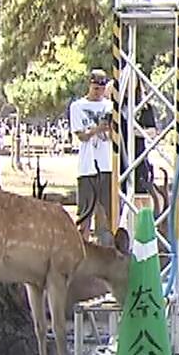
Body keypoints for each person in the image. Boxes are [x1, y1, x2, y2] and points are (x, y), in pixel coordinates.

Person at [69, 69, 116, 238]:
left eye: (101, 89)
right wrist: (96, 129)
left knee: (105, 213)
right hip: (87, 165)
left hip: (106, 164)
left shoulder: (110, 107)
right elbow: (81, 135)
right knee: (85, 213)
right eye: (95, 88)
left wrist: (109, 129)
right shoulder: (78, 107)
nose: (99, 93)